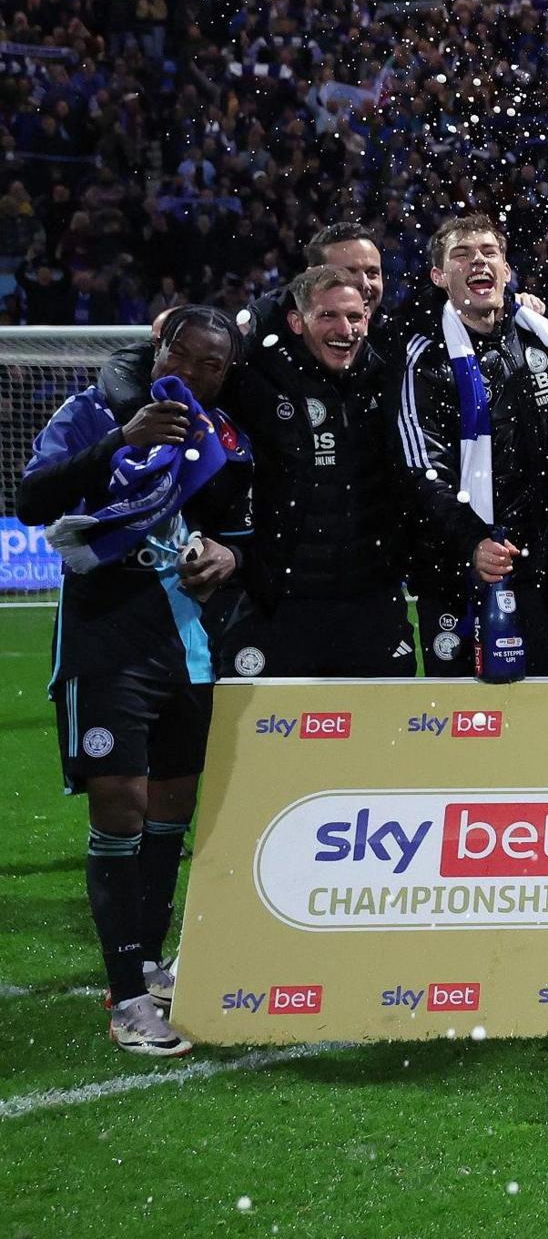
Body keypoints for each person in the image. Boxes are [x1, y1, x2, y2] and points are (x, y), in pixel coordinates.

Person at [22, 306, 253, 1056]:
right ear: (161, 350)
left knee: (169, 812)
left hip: (187, 641)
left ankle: (149, 968)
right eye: (183, 358)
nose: (193, 376)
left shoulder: (219, 438)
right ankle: (126, 999)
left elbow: (242, 528)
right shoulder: (91, 412)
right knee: (118, 807)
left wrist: (228, 558)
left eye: (212, 366)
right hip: (105, 639)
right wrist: (121, 442)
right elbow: (32, 501)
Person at [216, 264, 413, 678]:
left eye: (355, 316)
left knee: (380, 738)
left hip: (371, 602)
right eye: (327, 316)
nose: (345, 329)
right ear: (295, 321)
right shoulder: (257, 380)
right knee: (264, 738)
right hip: (283, 603)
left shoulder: (390, 376)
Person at [395, 214, 548, 676]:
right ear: (438, 276)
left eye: (490, 253)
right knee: (461, 719)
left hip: (544, 569)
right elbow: (424, 467)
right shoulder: (427, 355)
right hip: (457, 571)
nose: (478, 262)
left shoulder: (542, 338)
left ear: (507, 271)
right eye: (462, 255)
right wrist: (472, 542)